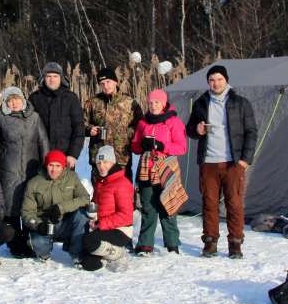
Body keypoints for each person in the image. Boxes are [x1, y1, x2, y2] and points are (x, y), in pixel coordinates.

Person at [185, 65, 257, 259]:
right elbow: (189, 129)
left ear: (226, 80)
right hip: (208, 163)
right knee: (209, 204)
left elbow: (251, 131)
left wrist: (245, 160)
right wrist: (197, 130)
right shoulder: (201, 103)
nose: (215, 83)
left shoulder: (240, 103)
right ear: (208, 82)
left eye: (219, 79)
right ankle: (210, 242)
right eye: (211, 80)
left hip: (233, 163)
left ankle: (235, 244)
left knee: (234, 204)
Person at [0, 86, 49, 257]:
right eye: (10, 100)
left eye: (16, 99)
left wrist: (46, 168)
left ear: (23, 100)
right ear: (5, 103)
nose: (14, 103)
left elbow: (43, 143)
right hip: (8, 171)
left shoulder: (34, 118)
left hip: (31, 170)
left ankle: (30, 240)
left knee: (29, 205)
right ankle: (16, 244)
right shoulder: (0, 119)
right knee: (11, 207)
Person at [130, 89, 187, 256]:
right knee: (148, 206)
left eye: (157, 102)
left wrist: (162, 146)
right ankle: (145, 244)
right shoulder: (143, 123)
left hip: (166, 167)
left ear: (163, 103)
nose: (153, 106)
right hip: (146, 169)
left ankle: (172, 243)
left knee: (167, 205)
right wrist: (142, 146)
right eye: (150, 103)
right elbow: (135, 146)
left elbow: (181, 147)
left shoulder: (173, 122)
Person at [21, 150, 90, 265]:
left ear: (63, 167)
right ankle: (44, 253)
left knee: (82, 216)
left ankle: (76, 253)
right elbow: (27, 213)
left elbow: (85, 198)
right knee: (38, 242)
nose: (54, 170)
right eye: (51, 165)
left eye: (58, 166)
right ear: (46, 165)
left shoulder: (72, 177)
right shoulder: (34, 183)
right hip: (45, 224)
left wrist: (62, 207)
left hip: (66, 222)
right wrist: (38, 225)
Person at [80, 146, 134, 272]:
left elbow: (126, 216)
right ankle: (105, 258)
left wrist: (101, 224)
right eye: (99, 163)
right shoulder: (101, 183)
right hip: (103, 228)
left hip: (121, 230)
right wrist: (92, 211)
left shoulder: (122, 183)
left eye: (105, 162)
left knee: (89, 240)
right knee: (87, 262)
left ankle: (117, 253)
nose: (101, 166)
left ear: (113, 163)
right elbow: (97, 204)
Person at [84, 67, 143, 182]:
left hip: (121, 157)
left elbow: (140, 125)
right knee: (100, 195)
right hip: (99, 159)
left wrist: (126, 134)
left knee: (124, 194)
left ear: (115, 81)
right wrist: (89, 129)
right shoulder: (92, 102)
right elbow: (81, 123)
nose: (106, 86)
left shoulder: (130, 102)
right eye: (102, 83)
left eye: (108, 82)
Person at [28, 62, 85, 169]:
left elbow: (79, 128)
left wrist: (73, 154)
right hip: (40, 156)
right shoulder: (34, 98)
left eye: (55, 76)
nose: (52, 79)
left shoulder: (71, 98)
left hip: (65, 156)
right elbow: (28, 127)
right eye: (48, 76)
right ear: (43, 78)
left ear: (61, 78)